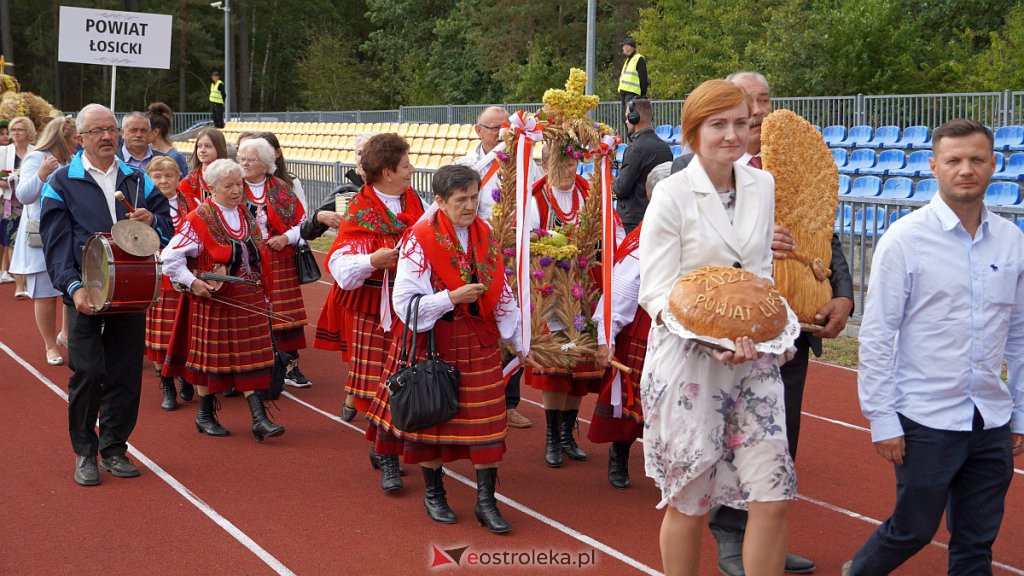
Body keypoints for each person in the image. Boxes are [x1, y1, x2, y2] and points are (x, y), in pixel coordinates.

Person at [843, 119, 1024, 576]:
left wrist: (1020, 413)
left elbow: (1020, 335)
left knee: (977, 540)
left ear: (994, 165)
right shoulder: (906, 239)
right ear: (934, 166)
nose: (967, 169)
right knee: (913, 529)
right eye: (954, 160)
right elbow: (879, 333)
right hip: (925, 418)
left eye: (977, 160)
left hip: (990, 420)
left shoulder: (1012, 241)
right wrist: (882, 418)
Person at [698, 71, 852, 576]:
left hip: (794, 335)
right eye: (747, 103)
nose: (758, 111)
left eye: (764, 100)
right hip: (733, 333)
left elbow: (823, 235)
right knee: (733, 437)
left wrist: (844, 296)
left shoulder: (793, 167)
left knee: (781, 439)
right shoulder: (703, 171)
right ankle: (729, 536)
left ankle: (768, 537)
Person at [638, 80, 793, 576]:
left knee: (772, 494)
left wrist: (768, 336)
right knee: (689, 500)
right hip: (688, 362)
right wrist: (711, 337)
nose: (732, 135)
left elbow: (760, 277)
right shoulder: (671, 193)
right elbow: (655, 291)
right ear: (693, 132)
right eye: (718, 124)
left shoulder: (762, 185)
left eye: (741, 123)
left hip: (754, 362)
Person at [365, 164, 528, 532]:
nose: (470, 206)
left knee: (488, 427)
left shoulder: (485, 234)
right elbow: (404, 303)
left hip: (480, 341)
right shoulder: (419, 239)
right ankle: (434, 493)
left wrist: (519, 341)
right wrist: (449, 298)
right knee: (432, 421)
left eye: (474, 197)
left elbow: (502, 292)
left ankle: (487, 501)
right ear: (439, 201)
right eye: (461, 200)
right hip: (436, 342)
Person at [39, 103, 173, 487]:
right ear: (79, 139)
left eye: (111, 129)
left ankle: (114, 448)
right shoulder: (62, 182)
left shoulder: (137, 179)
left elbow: (166, 226)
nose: (107, 137)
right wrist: (73, 287)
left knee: (126, 374)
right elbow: (56, 244)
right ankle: (85, 452)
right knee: (89, 372)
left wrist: (155, 222)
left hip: (131, 291)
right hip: (85, 292)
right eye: (97, 131)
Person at [160, 158, 285, 442]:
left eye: (238, 184)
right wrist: (193, 283)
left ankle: (260, 419)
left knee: (252, 361)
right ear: (211, 188)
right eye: (228, 185)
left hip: (249, 298)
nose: (236, 190)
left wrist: (264, 295)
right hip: (215, 300)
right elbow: (169, 258)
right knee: (210, 365)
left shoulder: (245, 214)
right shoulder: (198, 218)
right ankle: (205, 416)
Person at [328, 133, 425, 489]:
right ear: (386, 172)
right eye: (405, 165)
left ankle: (387, 445)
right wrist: (373, 260)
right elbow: (338, 266)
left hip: (408, 307)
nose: (411, 170)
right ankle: (387, 455)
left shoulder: (414, 200)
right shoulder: (362, 209)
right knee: (374, 385)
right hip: (372, 309)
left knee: (404, 382)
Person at [455, 105, 542, 430]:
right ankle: (471, 396)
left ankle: (509, 403)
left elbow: (531, 203)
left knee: (514, 320)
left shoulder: (521, 161)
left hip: (511, 255)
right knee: (477, 325)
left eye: (506, 126)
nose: (501, 133)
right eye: (494, 127)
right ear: (478, 130)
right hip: (474, 253)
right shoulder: (465, 164)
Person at [524, 144, 610, 468]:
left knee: (581, 366)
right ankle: (552, 436)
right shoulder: (535, 197)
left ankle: (567, 434)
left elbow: (607, 232)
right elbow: (525, 238)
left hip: (586, 286)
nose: (568, 171)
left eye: (572, 164)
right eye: (560, 165)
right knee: (556, 369)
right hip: (552, 290)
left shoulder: (590, 193)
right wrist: (551, 244)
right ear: (545, 165)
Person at [590, 161, 671, 489]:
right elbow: (622, 289)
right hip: (646, 326)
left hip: (681, 328)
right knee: (632, 400)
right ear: (654, 197)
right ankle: (619, 454)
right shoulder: (643, 239)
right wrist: (606, 335)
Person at [238, 137, 310, 386]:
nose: (244, 163)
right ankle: (251, 368)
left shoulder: (280, 187)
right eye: (242, 158)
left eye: (250, 159)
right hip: (246, 260)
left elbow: (302, 223)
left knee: (285, 316)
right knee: (249, 314)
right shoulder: (232, 185)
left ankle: (291, 366)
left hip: (279, 258)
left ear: (266, 162)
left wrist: (286, 238)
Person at [9, 116, 75, 366]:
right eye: (73, 138)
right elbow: (24, 195)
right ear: (61, 138)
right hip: (41, 235)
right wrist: (41, 174)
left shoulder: (73, 160)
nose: (77, 142)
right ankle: (50, 345)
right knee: (46, 294)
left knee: (70, 285)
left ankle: (66, 335)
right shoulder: (36, 158)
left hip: (67, 231)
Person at [309, 133, 369, 367]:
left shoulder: (402, 192)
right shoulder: (346, 191)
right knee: (358, 346)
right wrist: (320, 217)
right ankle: (353, 399)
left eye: (369, 152)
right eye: (359, 153)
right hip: (354, 275)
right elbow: (309, 232)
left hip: (388, 277)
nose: (363, 159)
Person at [144, 156, 197, 410]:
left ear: (179, 178)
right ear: (149, 179)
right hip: (157, 275)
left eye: (169, 175)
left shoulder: (192, 203)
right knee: (161, 335)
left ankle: (185, 375)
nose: (163, 180)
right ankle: (167, 384)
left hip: (186, 275)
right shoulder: (143, 205)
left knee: (186, 331)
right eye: (157, 176)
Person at [613, 98, 673, 233]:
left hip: (634, 222)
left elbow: (621, 189)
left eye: (628, 117)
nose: (626, 121)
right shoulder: (665, 148)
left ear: (635, 118)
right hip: (658, 218)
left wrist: (613, 182)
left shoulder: (635, 149)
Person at [0, 115, 35, 294]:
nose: (15, 133)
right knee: (13, 241)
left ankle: (27, 282)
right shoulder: (3, 151)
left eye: (19, 129)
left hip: (31, 203)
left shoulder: (36, 152)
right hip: (10, 203)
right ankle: (20, 285)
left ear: (28, 132)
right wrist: (11, 183)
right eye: (13, 129)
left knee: (29, 241)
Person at [179, 128, 228, 204]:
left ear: (220, 148)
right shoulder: (186, 183)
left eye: (208, 146)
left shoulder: (232, 178)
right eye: (199, 146)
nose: (202, 150)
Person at [147, 102, 189, 177]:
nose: (140, 134)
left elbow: (184, 185)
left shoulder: (175, 158)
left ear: (156, 132)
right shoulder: (148, 154)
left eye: (145, 130)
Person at [618, 38, 648, 129]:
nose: (624, 48)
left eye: (625, 46)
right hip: (625, 94)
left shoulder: (638, 58)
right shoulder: (628, 60)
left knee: (631, 119)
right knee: (626, 119)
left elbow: (643, 78)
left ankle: (634, 141)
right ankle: (631, 142)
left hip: (632, 94)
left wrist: (643, 95)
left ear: (630, 48)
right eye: (623, 46)